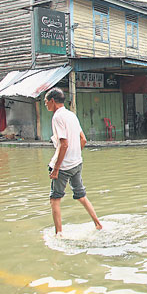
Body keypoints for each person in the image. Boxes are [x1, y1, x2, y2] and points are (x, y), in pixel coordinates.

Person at [44, 88, 102, 236]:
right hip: (77, 163)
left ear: (52, 101)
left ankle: (59, 234)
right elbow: (83, 139)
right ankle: (98, 223)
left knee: (54, 199)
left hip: (63, 166)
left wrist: (56, 168)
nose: (46, 105)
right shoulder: (71, 115)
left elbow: (64, 144)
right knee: (81, 195)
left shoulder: (57, 117)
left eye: (46, 102)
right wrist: (75, 155)